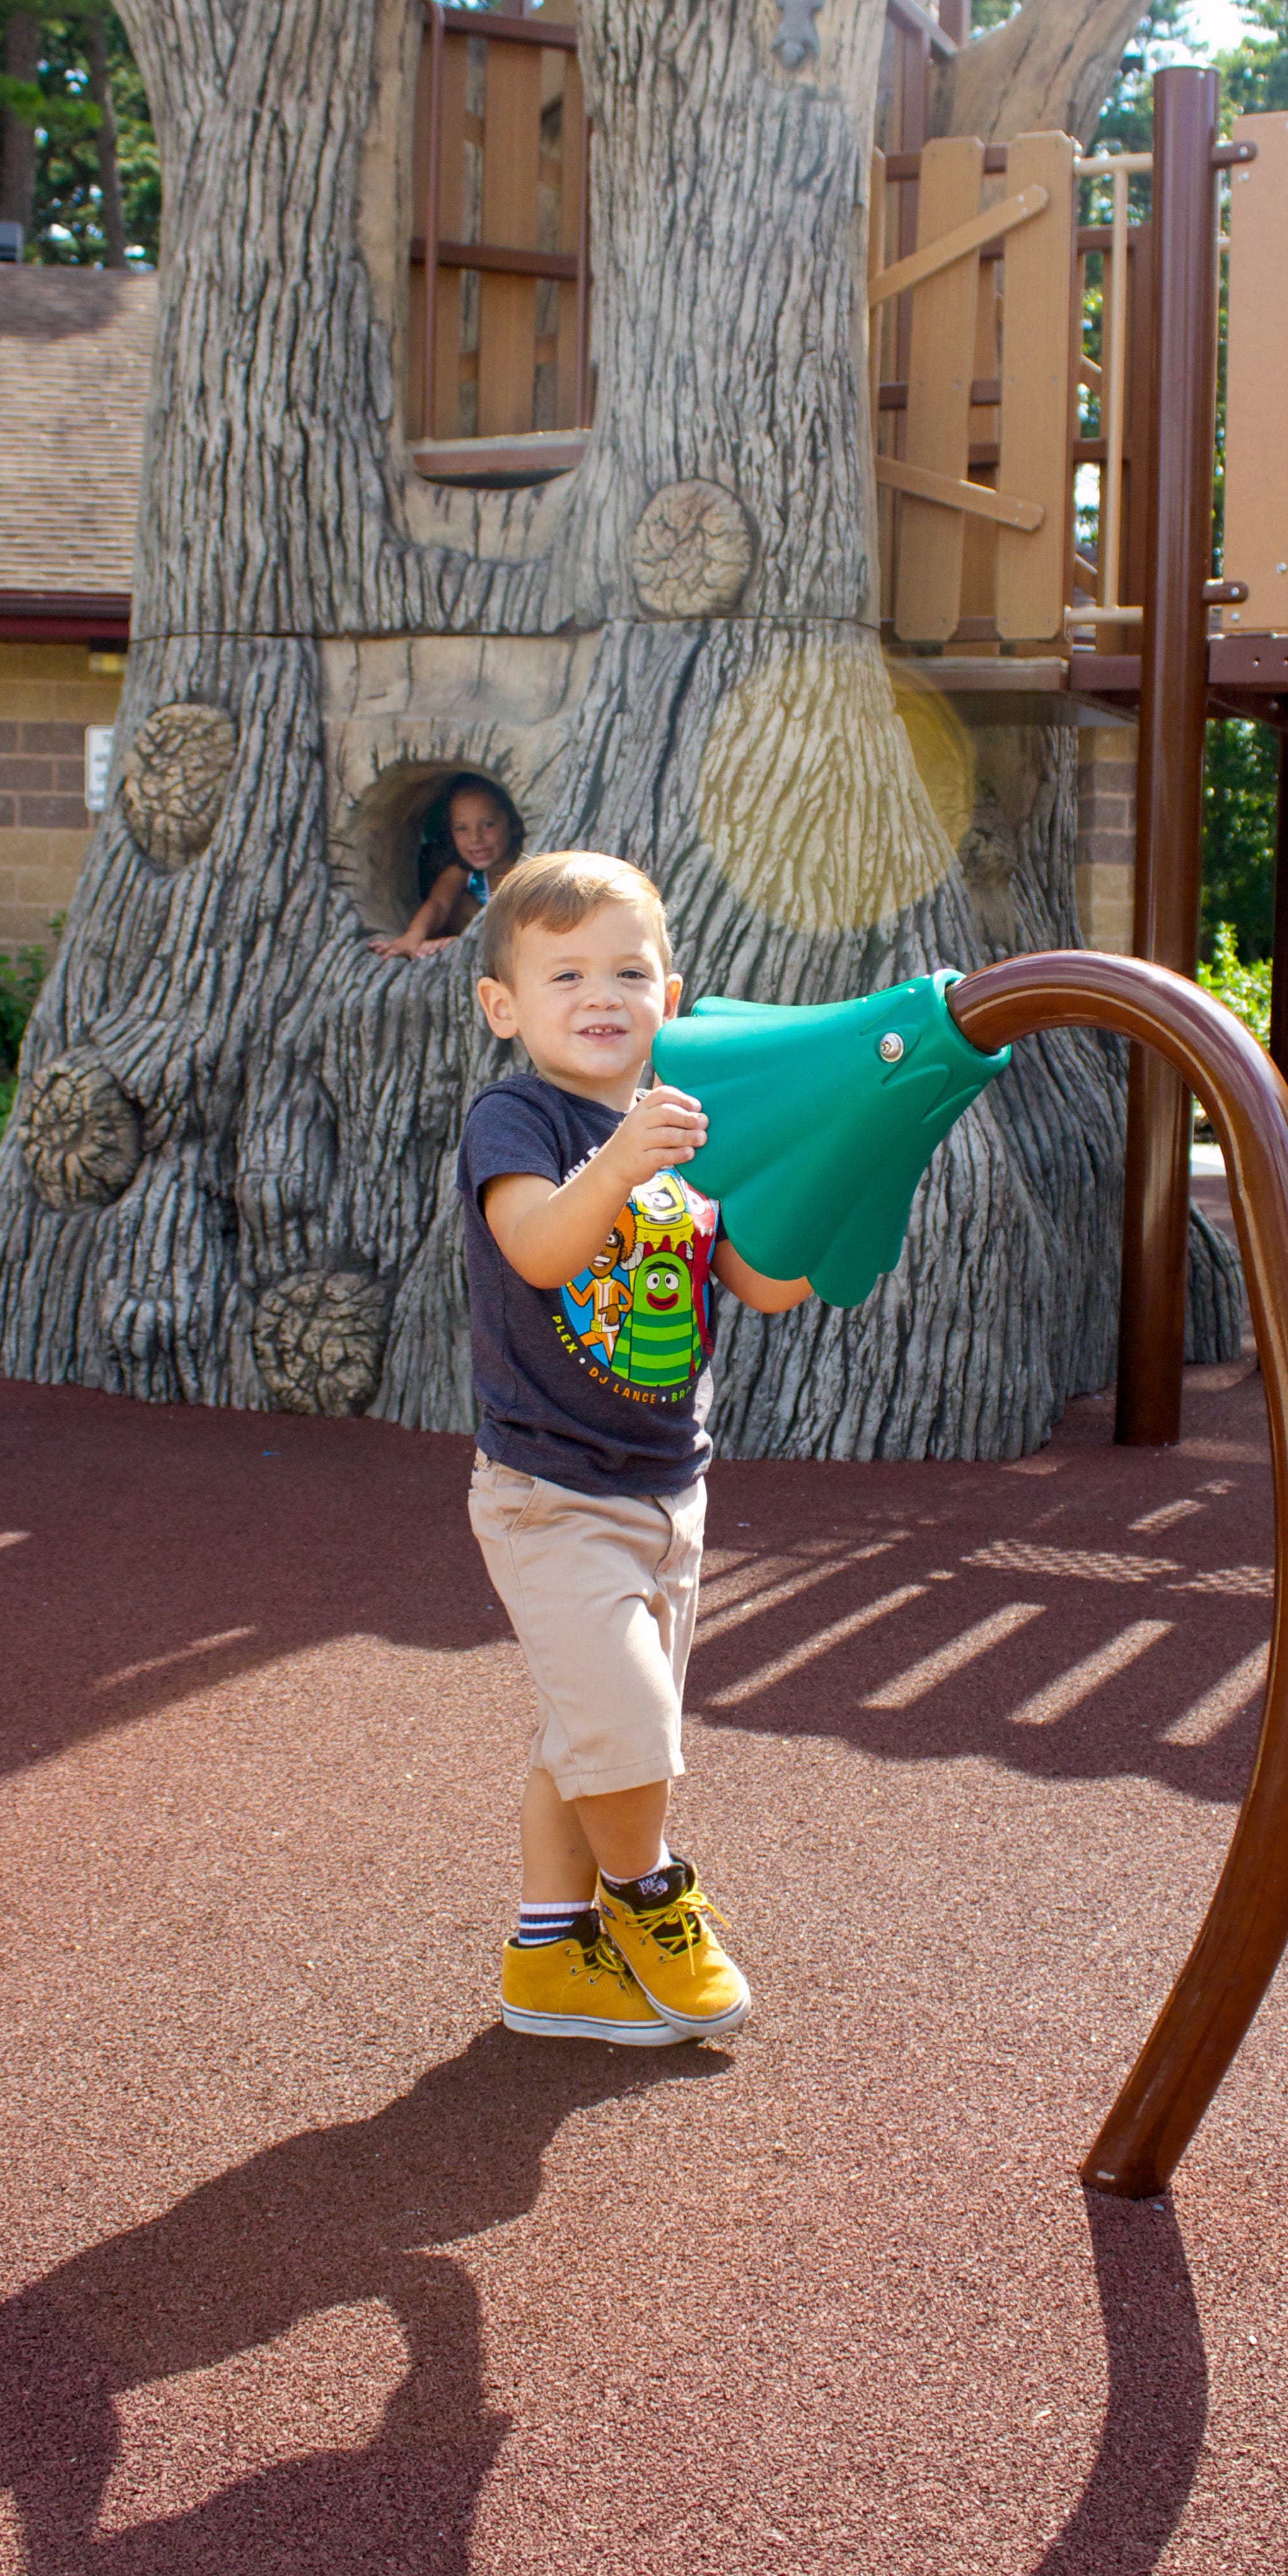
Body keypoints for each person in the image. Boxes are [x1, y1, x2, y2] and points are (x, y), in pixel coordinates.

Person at [459, 848, 813, 2045]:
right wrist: (621, 1157)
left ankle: (550, 1954)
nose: (600, 992)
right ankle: (649, 1894)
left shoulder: (686, 1127)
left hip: (671, 1486)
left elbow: (762, 1282)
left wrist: (838, 1179)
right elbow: (544, 1250)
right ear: (505, 1006)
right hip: (547, 1486)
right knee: (627, 1723)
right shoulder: (518, 1115)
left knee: (587, 1731)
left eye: (628, 967)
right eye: (563, 972)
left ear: (671, 992)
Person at [374, 775, 523, 959]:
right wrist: (412, 939)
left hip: (515, 946)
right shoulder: (463, 871)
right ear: (450, 832)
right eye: (462, 828)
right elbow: (439, 905)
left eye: (488, 825)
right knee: (462, 907)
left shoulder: (524, 867)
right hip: (472, 949)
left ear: (514, 824)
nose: (475, 838)